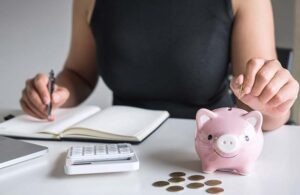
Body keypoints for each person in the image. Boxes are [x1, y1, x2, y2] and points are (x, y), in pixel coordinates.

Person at [20, 0, 299, 131]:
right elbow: (79, 75)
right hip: (121, 147)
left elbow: (261, 109)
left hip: (208, 148)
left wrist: (273, 104)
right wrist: (53, 93)